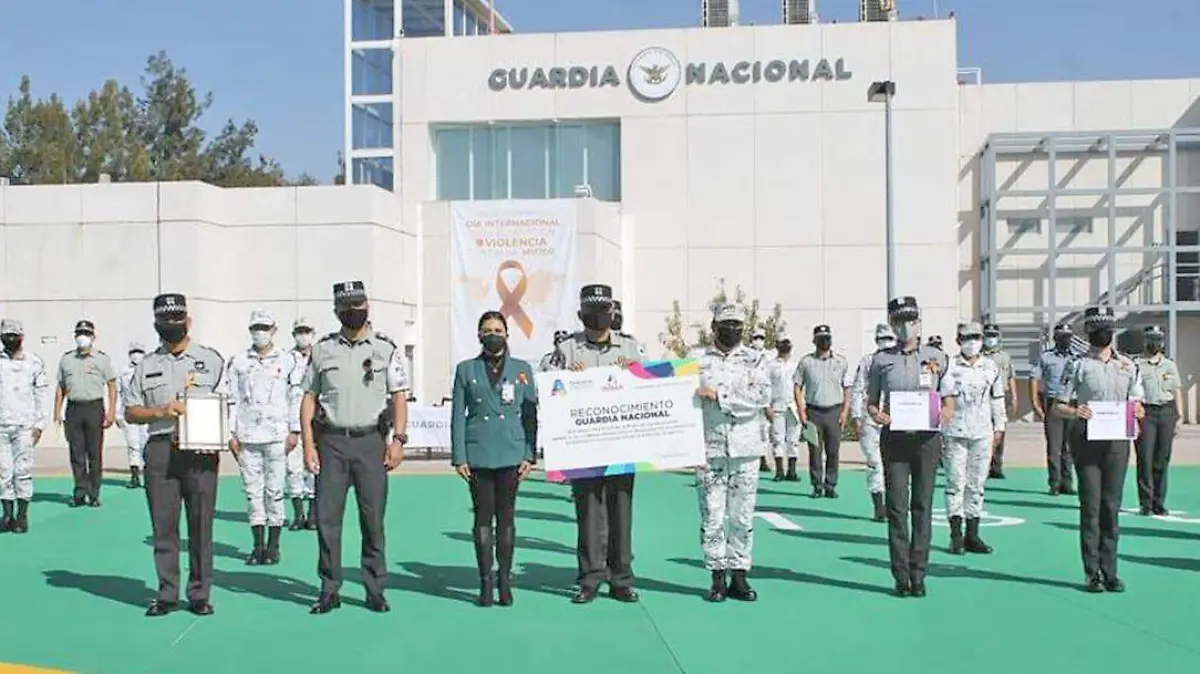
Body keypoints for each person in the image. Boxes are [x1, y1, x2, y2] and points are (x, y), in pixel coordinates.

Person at [301, 281, 410, 615]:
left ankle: (375, 589)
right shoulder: (322, 350)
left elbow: (399, 396)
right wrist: (308, 443)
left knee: (372, 520)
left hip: (370, 443)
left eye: (358, 304)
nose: (353, 310)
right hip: (331, 442)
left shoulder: (385, 348)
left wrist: (399, 440)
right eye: (346, 305)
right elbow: (309, 397)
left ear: (368, 307)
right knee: (327, 520)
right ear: (336, 311)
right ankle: (329, 589)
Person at [123, 293, 225, 617]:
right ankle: (166, 593)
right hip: (161, 448)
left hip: (201, 451)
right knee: (164, 526)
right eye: (164, 321)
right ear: (156, 324)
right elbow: (130, 411)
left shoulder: (212, 360)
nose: (171, 325)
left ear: (188, 321)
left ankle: (199, 594)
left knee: (200, 525)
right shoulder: (146, 365)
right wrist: (160, 411)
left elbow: (229, 401)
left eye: (177, 319)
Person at [554, 283, 642, 604]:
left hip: (622, 444)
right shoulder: (567, 350)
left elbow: (650, 387)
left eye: (604, 313)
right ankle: (590, 578)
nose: (599, 319)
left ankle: (621, 579)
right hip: (583, 445)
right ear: (581, 315)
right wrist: (567, 379)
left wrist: (632, 375)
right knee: (589, 513)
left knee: (621, 511)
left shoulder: (630, 349)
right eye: (592, 314)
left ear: (612, 313)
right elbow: (548, 388)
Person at [867, 296, 953, 598]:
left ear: (919, 321)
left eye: (910, 320)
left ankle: (919, 574)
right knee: (897, 507)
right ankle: (900, 576)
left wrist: (945, 412)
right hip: (895, 438)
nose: (906, 326)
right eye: (899, 321)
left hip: (927, 439)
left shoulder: (937, 357)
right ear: (892, 325)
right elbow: (872, 403)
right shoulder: (880, 360)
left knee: (923, 506)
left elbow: (948, 396)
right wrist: (877, 414)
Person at [1053, 306, 1144, 593]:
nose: (1103, 333)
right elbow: (1058, 406)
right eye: (1097, 328)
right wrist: (1075, 411)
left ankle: (1111, 571)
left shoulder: (1129, 366)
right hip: (1087, 440)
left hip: (1118, 441)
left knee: (1111, 507)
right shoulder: (1077, 365)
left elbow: (1137, 403)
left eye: (1107, 327)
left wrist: (1138, 412)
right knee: (1090, 507)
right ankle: (1091, 573)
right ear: (1089, 331)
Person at [450, 311, 537, 607]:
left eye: (498, 329)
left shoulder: (522, 369)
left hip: (511, 453)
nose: (493, 334)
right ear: (478, 335)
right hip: (478, 454)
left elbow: (530, 415)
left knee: (507, 518)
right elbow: (457, 417)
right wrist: (459, 455)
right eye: (487, 329)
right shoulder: (465, 370)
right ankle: (485, 581)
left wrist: (529, 453)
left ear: (507, 334)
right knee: (483, 517)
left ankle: (505, 580)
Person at [694, 303, 771, 602]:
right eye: (726, 324)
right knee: (712, 517)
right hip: (709, 448)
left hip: (746, 449)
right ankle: (716, 577)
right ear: (714, 326)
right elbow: (678, 394)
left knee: (742, 516)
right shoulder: (696, 359)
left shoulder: (756, 359)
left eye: (737, 325)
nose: (731, 330)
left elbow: (761, 395)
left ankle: (740, 576)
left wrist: (719, 396)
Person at [218, 309, 305, 566]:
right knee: (252, 493)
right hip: (247, 436)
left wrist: (295, 430)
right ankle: (256, 546)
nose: (260, 332)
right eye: (256, 327)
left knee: (275, 491)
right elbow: (230, 399)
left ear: (274, 330)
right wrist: (230, 434)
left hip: (277, 435)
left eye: (265, 327)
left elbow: (295, 397)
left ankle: (273, 546)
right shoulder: (238, 361)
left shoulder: (288, 360)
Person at [940, 322, 1005, 555]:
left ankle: (972, 534)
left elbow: (997, 399)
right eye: (967, 338)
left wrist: (1000, 427)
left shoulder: (991, 367)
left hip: (982, 432)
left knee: (976, 484)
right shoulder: (949, 367)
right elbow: (942, 398)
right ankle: (955, 535)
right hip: (954, 431)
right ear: (958, 340)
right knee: (955, 483)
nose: (972, 342)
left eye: (976, 337)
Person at [54, 319, 117, 507]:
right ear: (75, 336)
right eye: (80, 333)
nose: (83, 337)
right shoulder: (66, 359)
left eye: (87, 334)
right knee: (76, 453)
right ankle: (80, 492)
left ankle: (94, 493)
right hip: (74, 408)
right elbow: (61, 387)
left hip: (94, 408)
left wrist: (112, 411)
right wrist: (57, 410)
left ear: (93, 337)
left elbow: (112, 385)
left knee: (94, 453)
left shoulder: (102, 359)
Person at [0, 319, 49, 534]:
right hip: (1, 425)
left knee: (23, 471)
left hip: (24, 426)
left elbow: (41, 394)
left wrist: (40, 424)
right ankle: (7, 514)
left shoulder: (34, 362)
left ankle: (22, 515)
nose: (10, 339)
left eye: (14, 335)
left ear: (21, 336)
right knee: (3, 472)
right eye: (6, 335)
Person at [794, 325, 851, 498]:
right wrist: (801, 411)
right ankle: (817, 485)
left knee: (833, 451)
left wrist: (845, 411)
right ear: (814, 340)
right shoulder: (806, 362)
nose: (824, 341)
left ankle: (830, 485)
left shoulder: (841, 362)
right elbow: (797, 386)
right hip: (813, 412)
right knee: (815, 451)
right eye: (820, 338)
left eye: (827, 337)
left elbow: (847, 387)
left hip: (834, 411)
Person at [1133, 326, 1182, 516]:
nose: (1155, 343)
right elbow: (1133, 392)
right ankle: (1146, 502)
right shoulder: (1137, 364)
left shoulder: (1169, 364)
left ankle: (1159, 502)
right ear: (1145, 340)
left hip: (1167, 412)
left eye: (1158, 339)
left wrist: (1179, 417)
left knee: (1162, 459)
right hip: (1146, 413)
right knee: (1145, 458)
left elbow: (1177, 390)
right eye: (1151, 339)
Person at [850, 323, 895, 522]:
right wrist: (856, 417)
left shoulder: (901, 361)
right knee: (875, 463)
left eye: (889, 338)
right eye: (882, 339)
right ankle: (879, 506)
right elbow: (858, 388)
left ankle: (896, 504)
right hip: (870, 416)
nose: (885, 343)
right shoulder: (867, 361)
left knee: (895, 464)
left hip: (896, 417)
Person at [1030, 324, 1077, 492]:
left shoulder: (1077, 357)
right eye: (1062, 336)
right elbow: (1035, 378)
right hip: (1053, 403)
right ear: (1055, 338)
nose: (1066, 339)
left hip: (1072, 403)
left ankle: (1067, 482)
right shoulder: (1046, 357)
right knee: (1054, 446)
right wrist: (1035, 403)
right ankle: (1055, 483)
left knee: (1070, 446)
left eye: (1068, 336)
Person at [287, 317, 318, 530]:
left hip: (315, 423)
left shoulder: (320, 357)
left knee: (314, 468)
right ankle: (299, 514)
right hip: (291, 422)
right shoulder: (286, 359)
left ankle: (314, 514)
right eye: (299, 331)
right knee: (293, 469)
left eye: (306, 331)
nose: (302, 335)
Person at [981, 323, 1017, 477]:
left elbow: (1010, 377)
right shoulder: (979, 355)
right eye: (988, 335)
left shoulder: (1004, 356)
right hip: (984, 397)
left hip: (1001, 396)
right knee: (984, 432)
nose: (991, 339)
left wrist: (1014, 397)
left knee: (999, 430)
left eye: (993, 335)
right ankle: (984, 466)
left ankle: (997, 466)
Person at [765, 334, 801, 482]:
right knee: (777, 439)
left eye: (787, 344)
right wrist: (767, 406)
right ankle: (779, 470)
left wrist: (802, 406)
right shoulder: (770, 366)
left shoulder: (795, 365)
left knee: (793, 439)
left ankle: (792, 471)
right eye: (782, 344)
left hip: (793, 406)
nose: (785, 347)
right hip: (777, 405)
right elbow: (766, 387)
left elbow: (800, 386)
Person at [115, 342, 149, 489]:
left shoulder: (149, 370)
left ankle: (149, 476)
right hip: (128, 412)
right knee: (132, 444)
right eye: (134, 351)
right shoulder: (124, 372)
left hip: (146, 412)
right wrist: (117, 414)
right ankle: (134, 475)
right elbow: (118, 393)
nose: (137, 354)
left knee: (146, 444)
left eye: (139, 351)